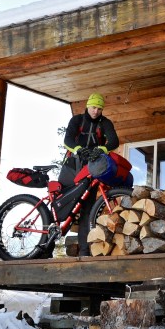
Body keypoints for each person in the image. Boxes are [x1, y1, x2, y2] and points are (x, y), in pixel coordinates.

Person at [59, 93, 119, 257]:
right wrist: (79, 149)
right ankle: (47, 240)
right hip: (72, 166)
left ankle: (85, 252)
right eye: (93, 107)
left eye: (99, 109)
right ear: (88, 106)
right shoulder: (77, 120)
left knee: (87, 210)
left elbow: (114, 140)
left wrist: (101, 150)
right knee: (62, 204)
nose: (96, 111)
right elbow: (68, 140)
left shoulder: (105, 123)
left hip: (92, 169)